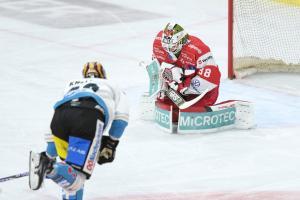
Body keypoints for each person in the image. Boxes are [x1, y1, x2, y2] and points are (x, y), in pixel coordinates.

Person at [29, 62, 129, 200]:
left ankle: (49, 166)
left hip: (60, 118)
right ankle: (50, 169)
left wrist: (49, 155)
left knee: (71, 172)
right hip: (89, 117)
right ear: (103, 75)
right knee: (78, 178)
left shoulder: (71, 85)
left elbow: (53, 128)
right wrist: (111, 143)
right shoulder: (112, 85)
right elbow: (121, 119)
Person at [152, 22, 221, 121]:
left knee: (191, 112)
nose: (167, 49)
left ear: (182, 41)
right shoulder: (158, 43)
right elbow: (156, 68)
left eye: (172, 46)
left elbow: (212, 80)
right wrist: (161, 85)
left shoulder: (199, 49)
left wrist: (184, 87)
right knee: (163, 102)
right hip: (176, 87)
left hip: (201, 92)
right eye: (165, 45)